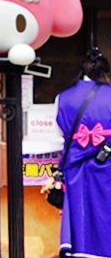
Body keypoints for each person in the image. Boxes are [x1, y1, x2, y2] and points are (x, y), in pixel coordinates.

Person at [51, 48, 111, 258]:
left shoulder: (63, 98)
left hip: (76, 169)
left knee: (80, 219)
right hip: (107, 168)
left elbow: (59, 135)